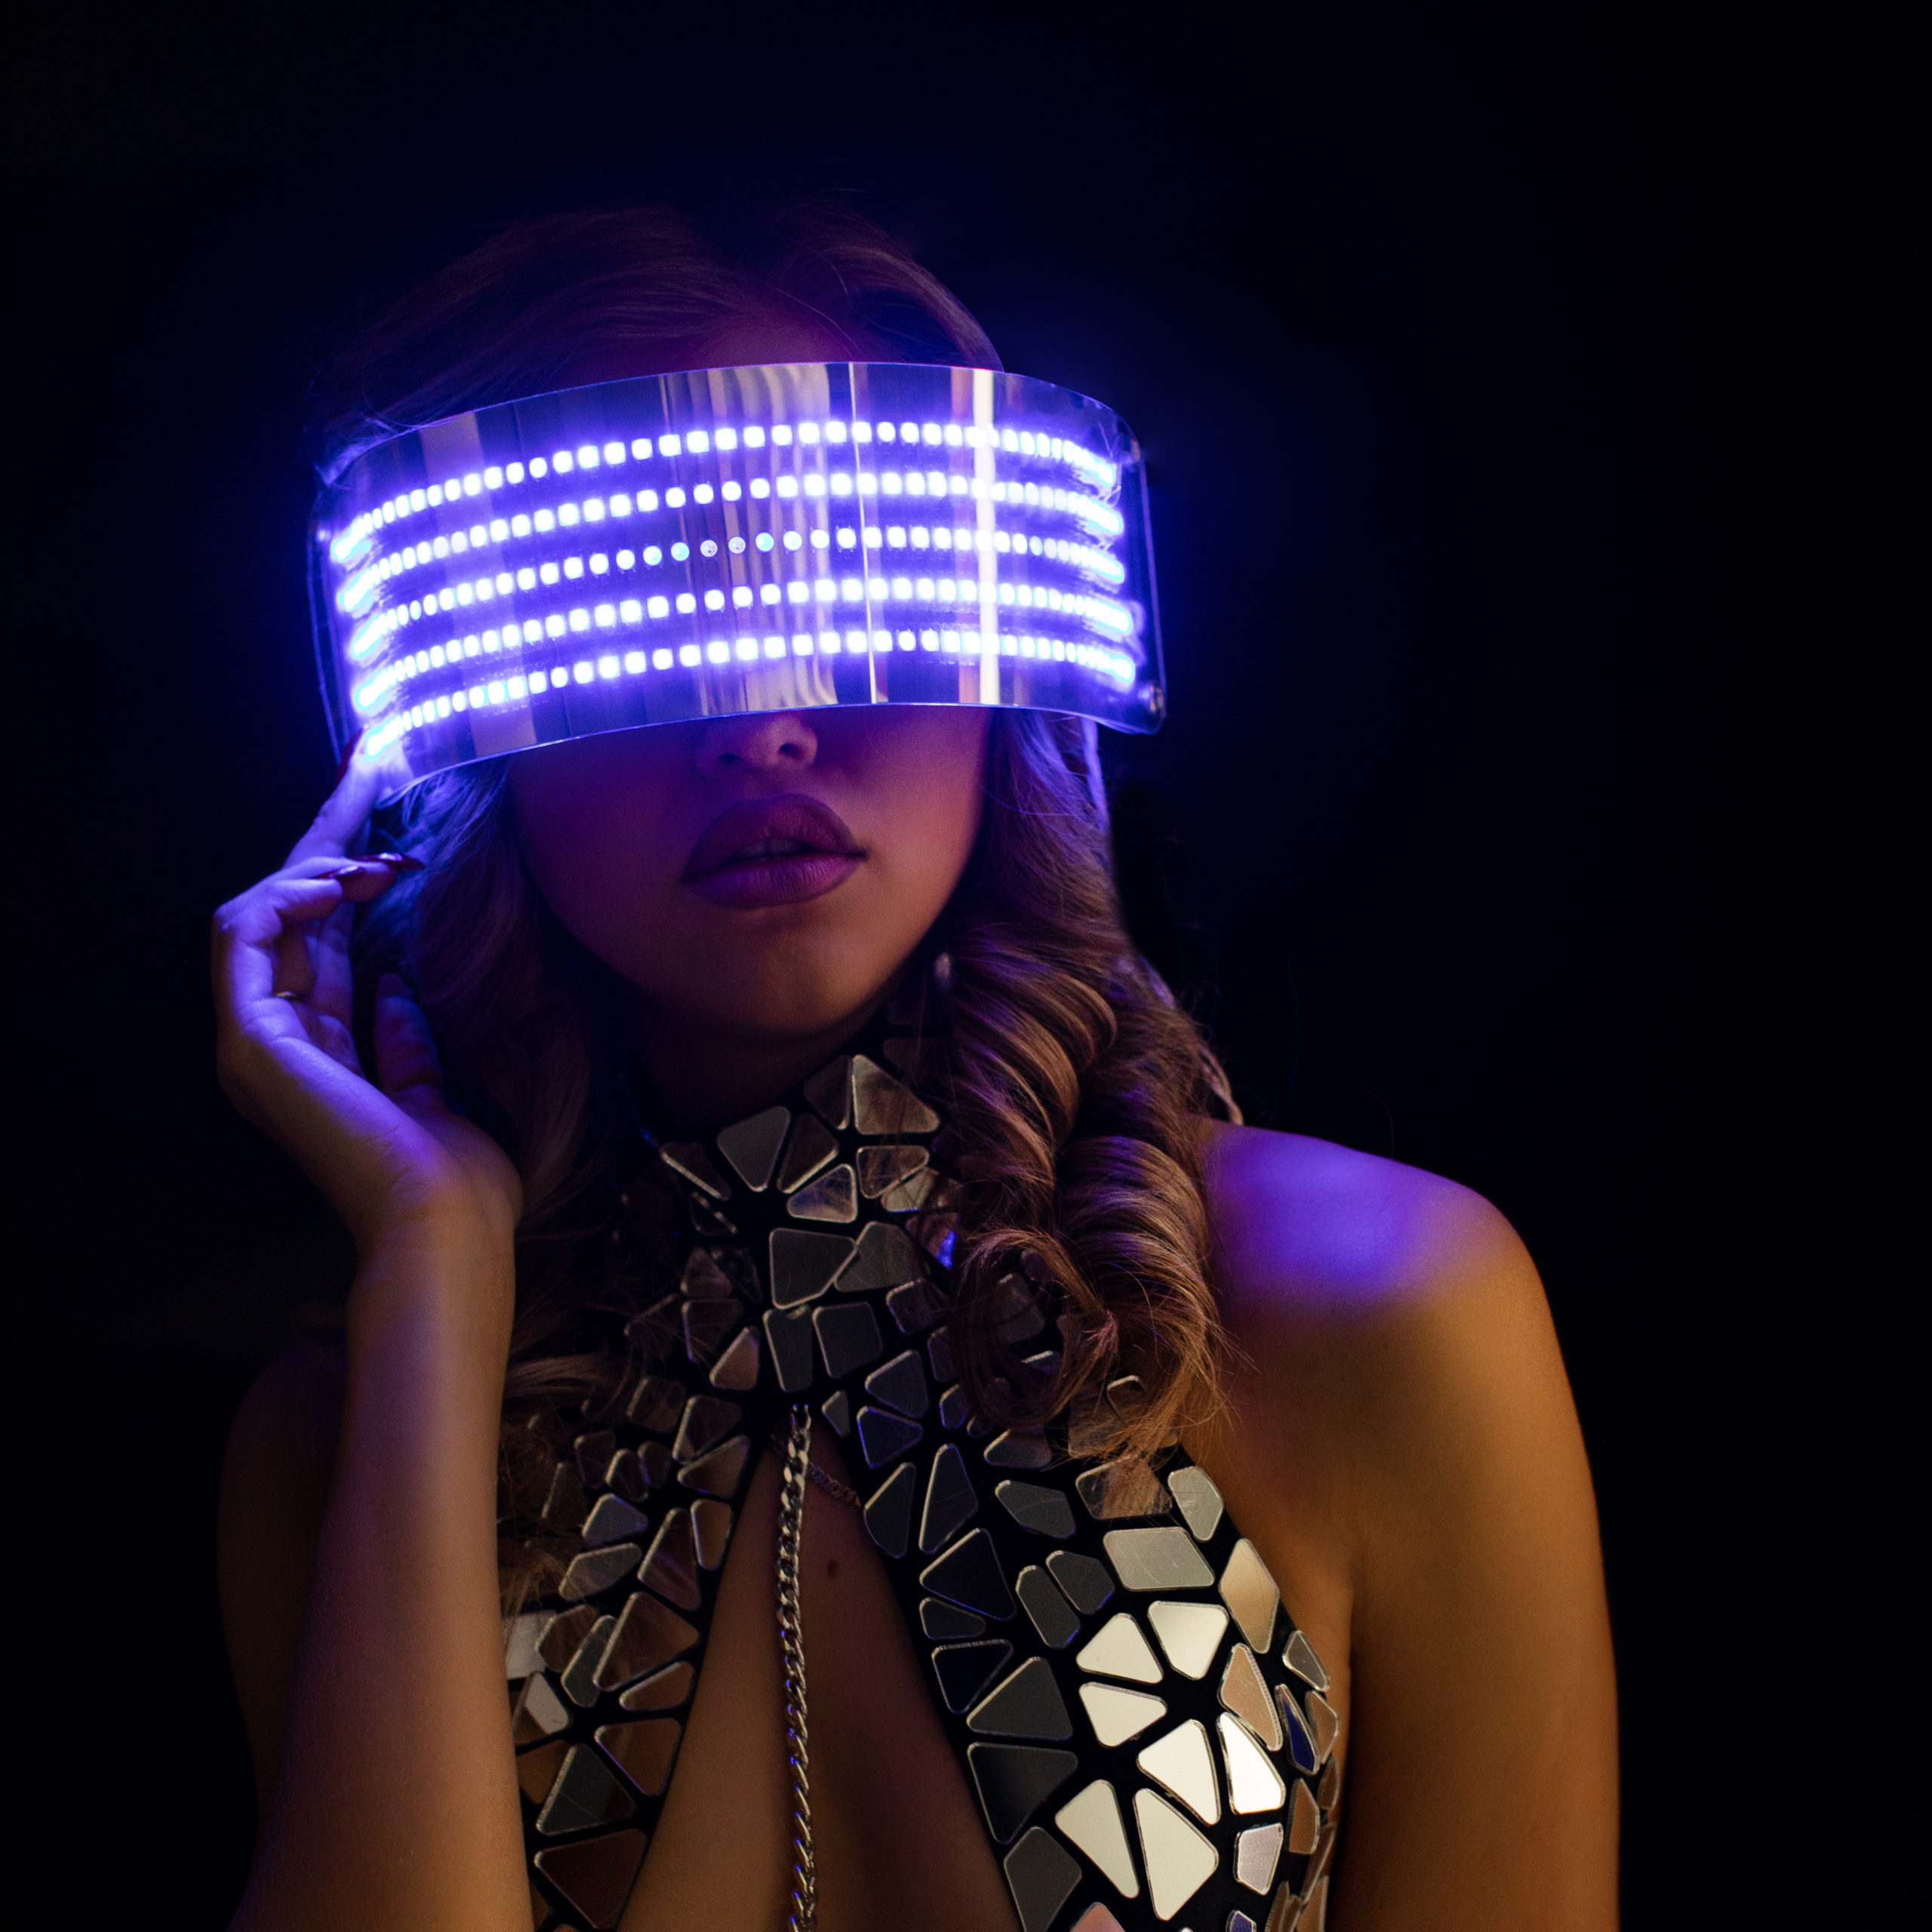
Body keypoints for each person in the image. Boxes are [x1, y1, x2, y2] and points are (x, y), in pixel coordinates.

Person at [213, 206, 1618, 1932]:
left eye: (849, 584)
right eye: (640, 605)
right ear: (472, 716)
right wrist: (437, 1274)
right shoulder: (345, 1436)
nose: (762, 719)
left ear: (999, 637)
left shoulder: (1369, 1306)